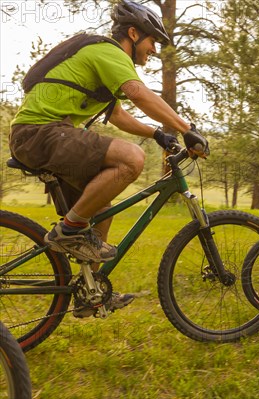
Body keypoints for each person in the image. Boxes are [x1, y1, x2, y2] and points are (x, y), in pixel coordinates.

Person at [8, 0, 208, 316]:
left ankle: (91, 291)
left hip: (43, 136)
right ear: (133, 33)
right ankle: (69, 230)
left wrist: (157, 133)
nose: (153, 50)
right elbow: (139, 93)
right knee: (131, 159)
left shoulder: (104, 62)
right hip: (39, 133)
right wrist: (187, 129)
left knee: (100, 209)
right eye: (152, 41)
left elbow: (116, 114)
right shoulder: (109, 52)